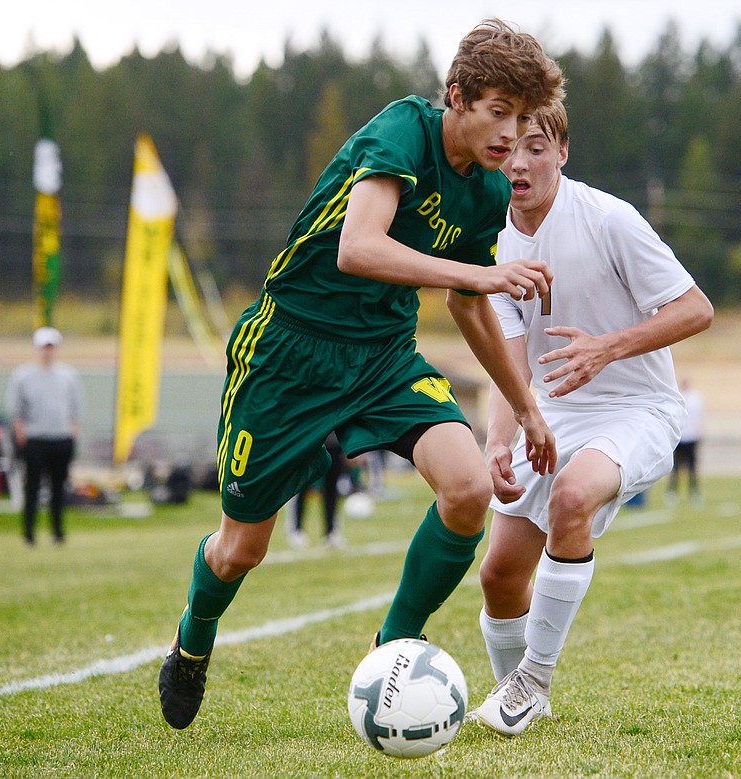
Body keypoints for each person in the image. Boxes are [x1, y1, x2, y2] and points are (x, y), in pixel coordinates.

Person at [157, 18, 564, 730]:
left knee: (468, 490)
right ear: (457, 97)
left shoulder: (489, 193)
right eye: (499, 112)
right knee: (240, 548)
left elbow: (469, 302)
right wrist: (484, 272)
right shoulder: (403, 130)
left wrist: (524, 406)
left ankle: (395, 640)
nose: (510, 134)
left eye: (524, 118)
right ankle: (192, 640)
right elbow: (358, 246)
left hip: (380, 353)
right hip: (288, 352)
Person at [470, 102, 714, 736]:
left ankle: (533, 680)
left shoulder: (609, 219)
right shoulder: (492, 239)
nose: (519, 163)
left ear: (563, 153)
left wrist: (607, 347)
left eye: (537, 148)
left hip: (639, 409)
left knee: (573, 497)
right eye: (508, 149)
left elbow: (696, 309)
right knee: (498, 576)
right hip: (549, 412)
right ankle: (513, 693)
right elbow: (510, 353)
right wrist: (499, 439)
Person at [5, 326, 84, 546]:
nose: (46, 351)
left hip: (61, 438)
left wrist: (72, 433)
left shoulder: (68, 376)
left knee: (59, 488)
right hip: (35, 439)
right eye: (43, 347)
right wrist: (22, 435)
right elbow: (16, 410)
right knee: (32, 486)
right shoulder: (22, 376)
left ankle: (58, 532)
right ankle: (29, 532)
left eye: (50, 347)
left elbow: (75, 409)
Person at [286, 432, 349, 548]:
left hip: (333, 442)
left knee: (332, 489)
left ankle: (331, 532)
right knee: (301, 486)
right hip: (308, 439)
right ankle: (296, 530)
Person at [667, 376, 705, 505]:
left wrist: (699, 432)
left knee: (692, 468)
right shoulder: (677, 395)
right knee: (676, 468)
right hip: (679, 436)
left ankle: (694, 492)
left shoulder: (696, 397)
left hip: (691, 436)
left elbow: (700, 416)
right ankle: (672, 492)